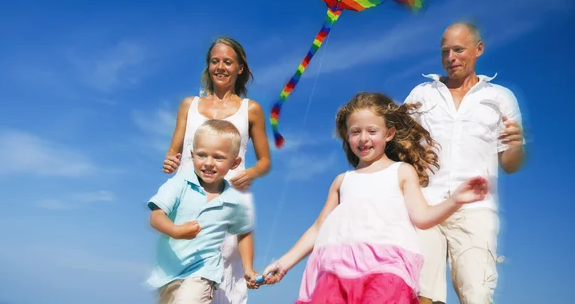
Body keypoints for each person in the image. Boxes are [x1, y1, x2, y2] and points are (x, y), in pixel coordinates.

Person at [261, 92, 491, 304]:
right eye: (355, 132)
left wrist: (456, 200)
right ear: (346, 135)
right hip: (337, 269)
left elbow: (422, 217)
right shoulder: (342, 181)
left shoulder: (401, 172)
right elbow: (318, 227)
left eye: (372, 131)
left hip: (386, 268)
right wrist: (284, 264)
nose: (363, 139)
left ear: (389, 133)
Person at [404, 22, 526, 304]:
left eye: (458, 50)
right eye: (445, 51)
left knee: (477, 294)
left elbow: (510, 164)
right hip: (425, 204)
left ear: (478, 49)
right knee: (420, 294)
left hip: (476, 209)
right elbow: (400, 147)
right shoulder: (421, 94)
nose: (451, 58)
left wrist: (516, 144)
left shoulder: (501, 98)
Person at [162, 37, 271, 304]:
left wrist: (252, 173)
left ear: (240, 68)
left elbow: (264, 160)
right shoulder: (189, 105)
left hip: (229, 199)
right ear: (208, 66)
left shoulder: (252, 110)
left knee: (223, 273)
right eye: (214, 61)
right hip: (188, 198)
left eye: (227, 62)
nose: (220, 67)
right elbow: (174, 151)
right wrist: (170, 161)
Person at [146, 119, 259, 304]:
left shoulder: (234, 199)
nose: (208, 163)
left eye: (218, 157)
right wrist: (176, 230)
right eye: (202, 155)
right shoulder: (179, 183)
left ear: (235, 162)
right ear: (192, 155)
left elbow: (244, 232)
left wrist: (248, 268)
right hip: (168, 270)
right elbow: (156, 216)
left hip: (203, 270)